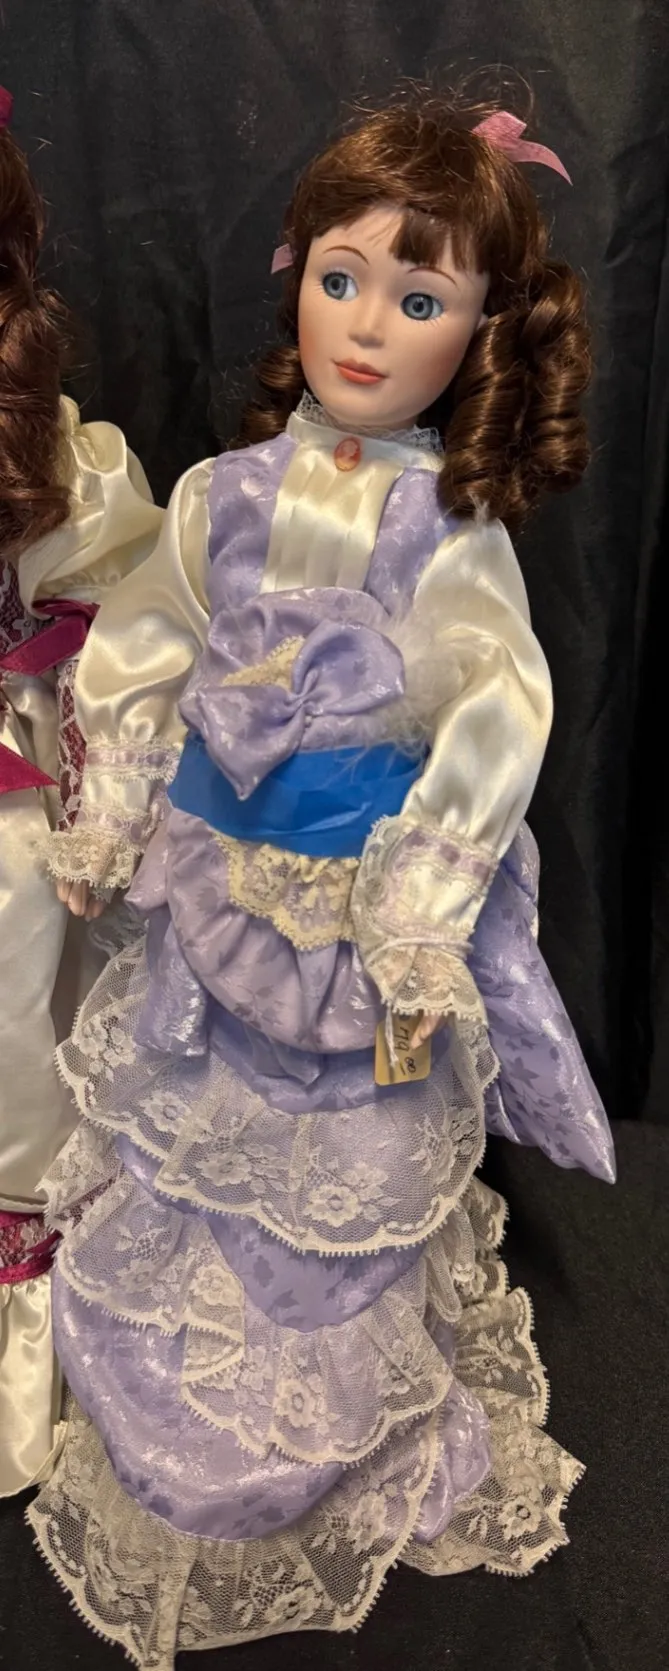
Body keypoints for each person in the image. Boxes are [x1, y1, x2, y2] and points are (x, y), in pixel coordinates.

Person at [27, 95, 614, 1664]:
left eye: (419, 298)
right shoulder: (221, 495)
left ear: (480, 330)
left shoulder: (452, 530)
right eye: (342, 278)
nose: (365, 326)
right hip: (218, 892)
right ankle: (188, 1380)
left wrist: (419, 903)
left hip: (355, 921)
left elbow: (501, 712)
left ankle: (323, 1397)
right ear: (295, 275)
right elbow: (144, 643)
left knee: (339, 1166)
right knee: (193, 1138)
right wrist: (114, 805)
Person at [0, 91, 163, 1497]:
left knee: (22, 1012)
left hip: (12, 799)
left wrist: (104, 775)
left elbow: (128, 617)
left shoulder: (55, 448)